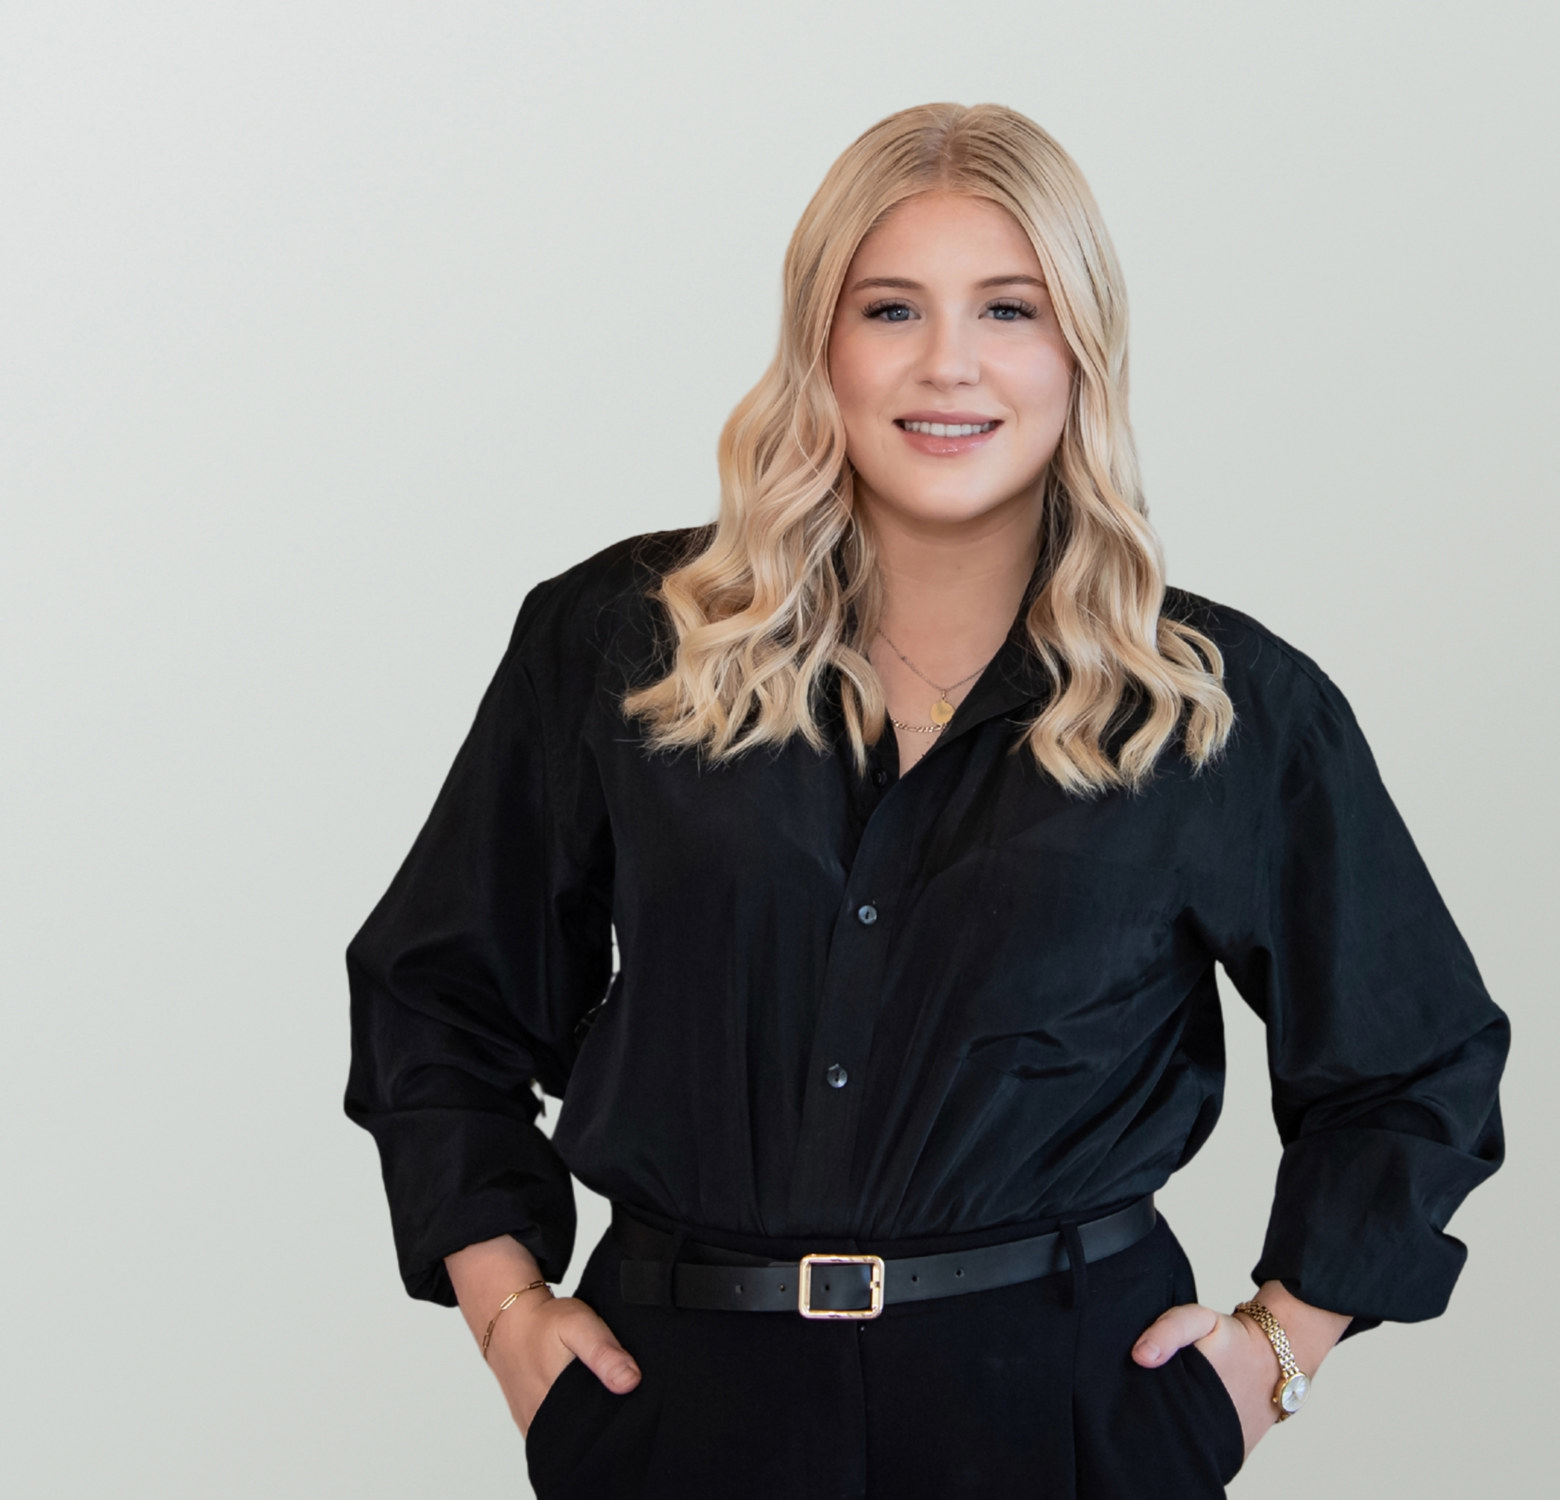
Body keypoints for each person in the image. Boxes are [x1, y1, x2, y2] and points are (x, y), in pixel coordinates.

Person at [342, 102, 1508, 1498]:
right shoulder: (622, 646)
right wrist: (508, 1314)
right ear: (819, 347)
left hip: (1066, 1416)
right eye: (891, 308)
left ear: (1080, 349)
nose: (948, 362)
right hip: (681, 1408)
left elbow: (1414, 1066)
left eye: (1009, 309)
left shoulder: (1218, 705)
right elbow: (438, 993)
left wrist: (1273, 1355)